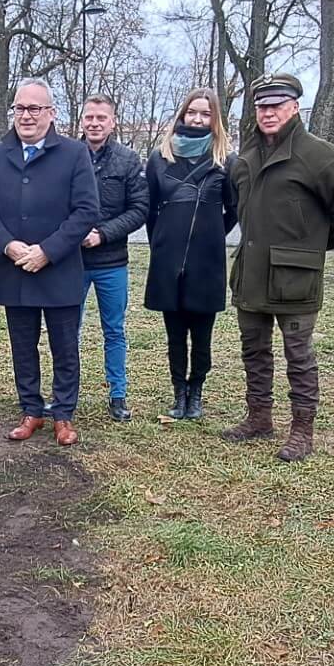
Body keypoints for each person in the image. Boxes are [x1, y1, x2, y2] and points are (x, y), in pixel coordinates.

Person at [223, 73, 334, 462]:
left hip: (295, 280)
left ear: (295, 108)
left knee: (298, 356)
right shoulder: (245, 160)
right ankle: (259, 419)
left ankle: (302, 432)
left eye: (276, 105)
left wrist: (312, 248)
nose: (268, 112)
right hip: (252, 275)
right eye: (261, 106)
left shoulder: (323, 158)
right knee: (254, 353)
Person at [0, 79, 99, 446]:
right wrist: (9, 246)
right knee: (22, 345)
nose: (26, 116)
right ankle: (31, 410)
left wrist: (47, 250)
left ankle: (63, 415)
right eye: (20, 109)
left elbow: (86, 210)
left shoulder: (74, 153)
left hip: (58, 268)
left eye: (34, 109)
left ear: (51, 113)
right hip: (16, 271)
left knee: (64, 346)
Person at [143, 86, 236, 421]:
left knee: (202, 334)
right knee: (174, 334)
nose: (197, 119)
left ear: (215, 119)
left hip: (206, 263)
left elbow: (233, 210)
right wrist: (164, 242)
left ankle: (197, 390)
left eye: (205, 113)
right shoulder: (160, 158)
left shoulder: (225, 160)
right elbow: (150, 210)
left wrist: (209, 236)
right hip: (168, 260)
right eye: (192, 112)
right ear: (182, 114)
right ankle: (178, 392)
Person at [76, 95, 148, 422]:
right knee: (67, 330)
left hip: (111, 261)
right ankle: (68, 392)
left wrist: (102, 234)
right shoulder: (66, 156)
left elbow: (139, 209)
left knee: (114, 330)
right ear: (82, 121)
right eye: (89, 117)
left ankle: (118, 394)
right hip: (71, 262)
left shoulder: (128, 160)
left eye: (101, 117)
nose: (95, 123)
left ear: (112, 121)